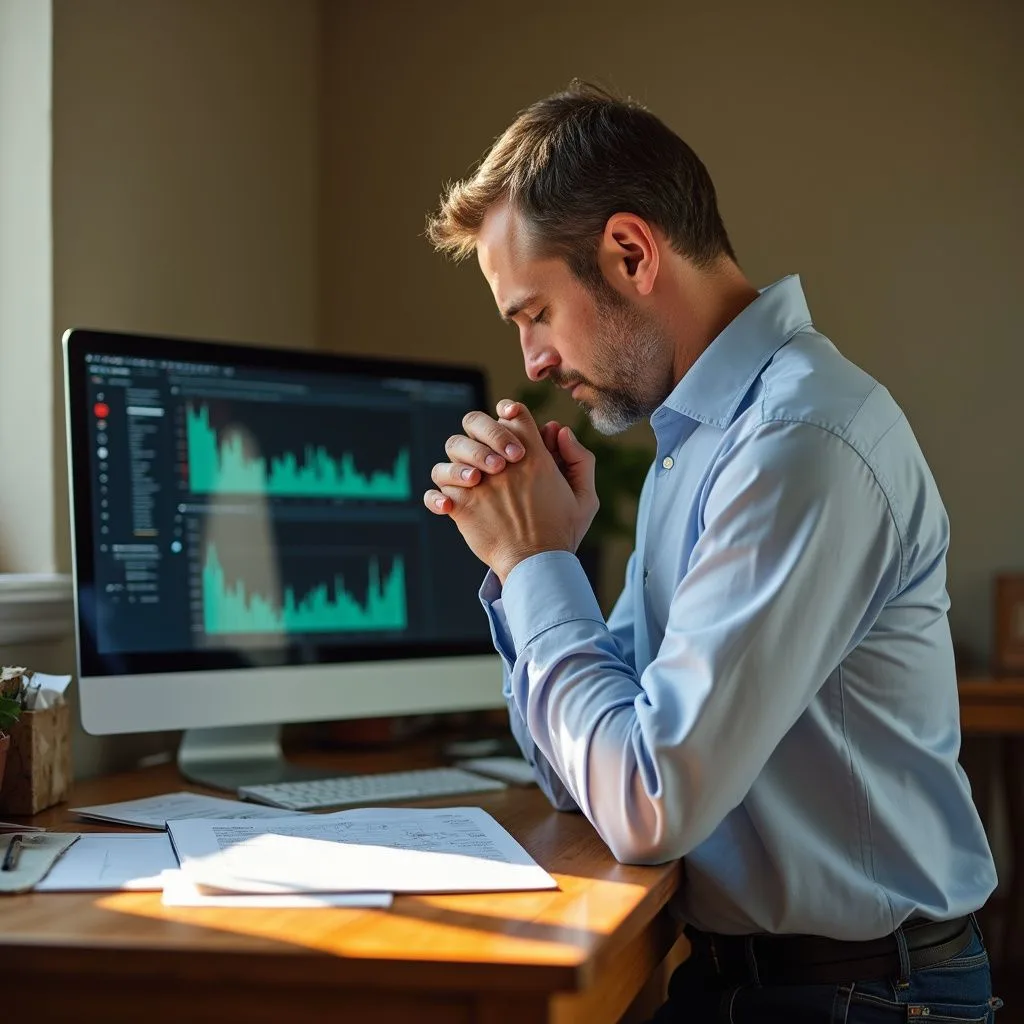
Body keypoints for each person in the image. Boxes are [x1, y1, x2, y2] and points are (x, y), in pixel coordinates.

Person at [421, 81, 1001, 1022]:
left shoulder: (798, 442)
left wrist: (540, 571)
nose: (531, 362)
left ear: (630, 252)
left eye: (533, 313)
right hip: (759, 981)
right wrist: (530, 561)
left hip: (863, 998)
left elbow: (646, 802)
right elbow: (582, 781)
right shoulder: (700, 441)